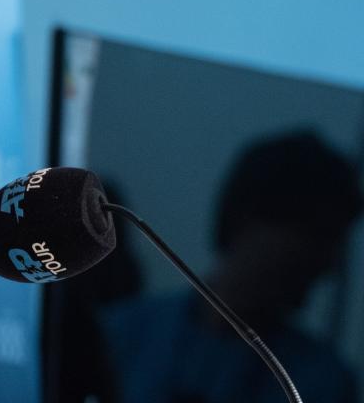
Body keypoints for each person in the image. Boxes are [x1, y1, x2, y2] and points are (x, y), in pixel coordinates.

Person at [100, 130, 361, 403]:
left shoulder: (325, 383)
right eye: (318, 235)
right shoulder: (117, 335)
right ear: (248, 218)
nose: (328, 264)